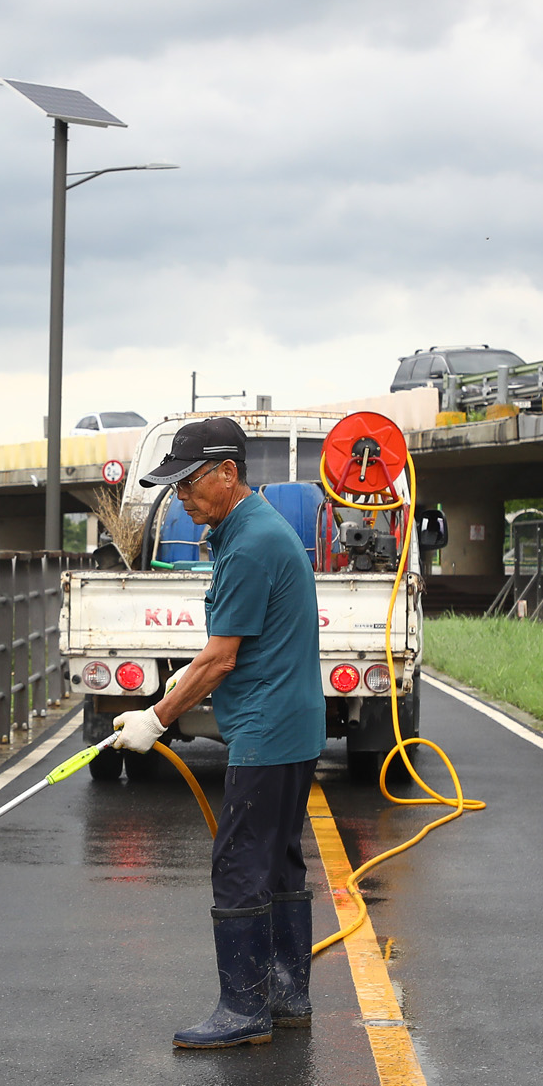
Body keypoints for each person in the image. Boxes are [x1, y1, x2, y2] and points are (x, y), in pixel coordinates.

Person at [111, 417, 326, 1050]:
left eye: (187, 483)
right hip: (293, 725)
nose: (179, 497)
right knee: (280, 860)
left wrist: (155, 718)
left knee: (238, 864)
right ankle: (287, 996)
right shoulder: (249, 532)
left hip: (267, 729)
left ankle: (244, 1010)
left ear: (227, 474)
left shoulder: (252, 543)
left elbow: (218, 659)